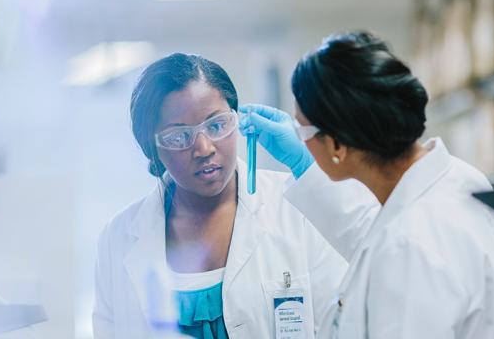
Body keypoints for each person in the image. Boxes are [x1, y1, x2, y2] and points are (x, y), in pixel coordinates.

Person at [240, 31, 494, 338]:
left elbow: (399, 248)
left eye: (301, 130)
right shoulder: (461, 180)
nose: (301, 142)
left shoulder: (409, 247)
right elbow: (373, 232)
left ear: (336, 145)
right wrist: (305, 166)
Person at [92, 54, 347, 339]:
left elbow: (344, 323)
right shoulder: (118, 238)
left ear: (238, 121)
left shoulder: (297, 209)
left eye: (216, 126)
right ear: (152, 148)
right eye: (179, 137)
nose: (203, 148)